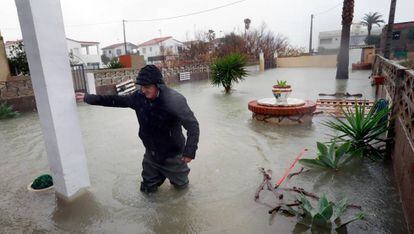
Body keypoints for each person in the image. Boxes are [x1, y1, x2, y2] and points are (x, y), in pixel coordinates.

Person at [75, 65, 200, 193]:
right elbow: (116, 100)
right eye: (141, 86)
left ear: (158, 85)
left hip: (173, 156)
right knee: (147, 191)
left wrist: (189, 151)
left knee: (182, 192)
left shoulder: (175, 100)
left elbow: (193, 126)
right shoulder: (138, 97)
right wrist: (88, 98)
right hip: (151, 155)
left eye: (147, 87)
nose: (143, 90)